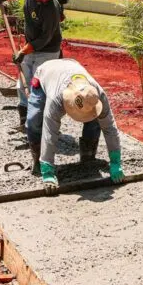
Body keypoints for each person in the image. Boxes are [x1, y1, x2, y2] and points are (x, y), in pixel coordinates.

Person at [26, 58, 125, 193]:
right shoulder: (56, 98)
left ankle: (88, 159)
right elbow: (50, 133)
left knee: (95, 118)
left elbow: (109, 128)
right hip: (45, 73)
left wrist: (115, 161)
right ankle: (39, 163)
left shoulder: (97, 94)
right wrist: (48, 170)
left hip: (72, 65)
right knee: (34, 121)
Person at [0, 0, 64, 127]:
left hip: (47, 50)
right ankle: (24, 121)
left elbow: (44, 39)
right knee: (22, 84)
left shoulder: (51, 9)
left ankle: (39, 124)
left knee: (38, 86)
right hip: (29, 45)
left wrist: (23, 52)